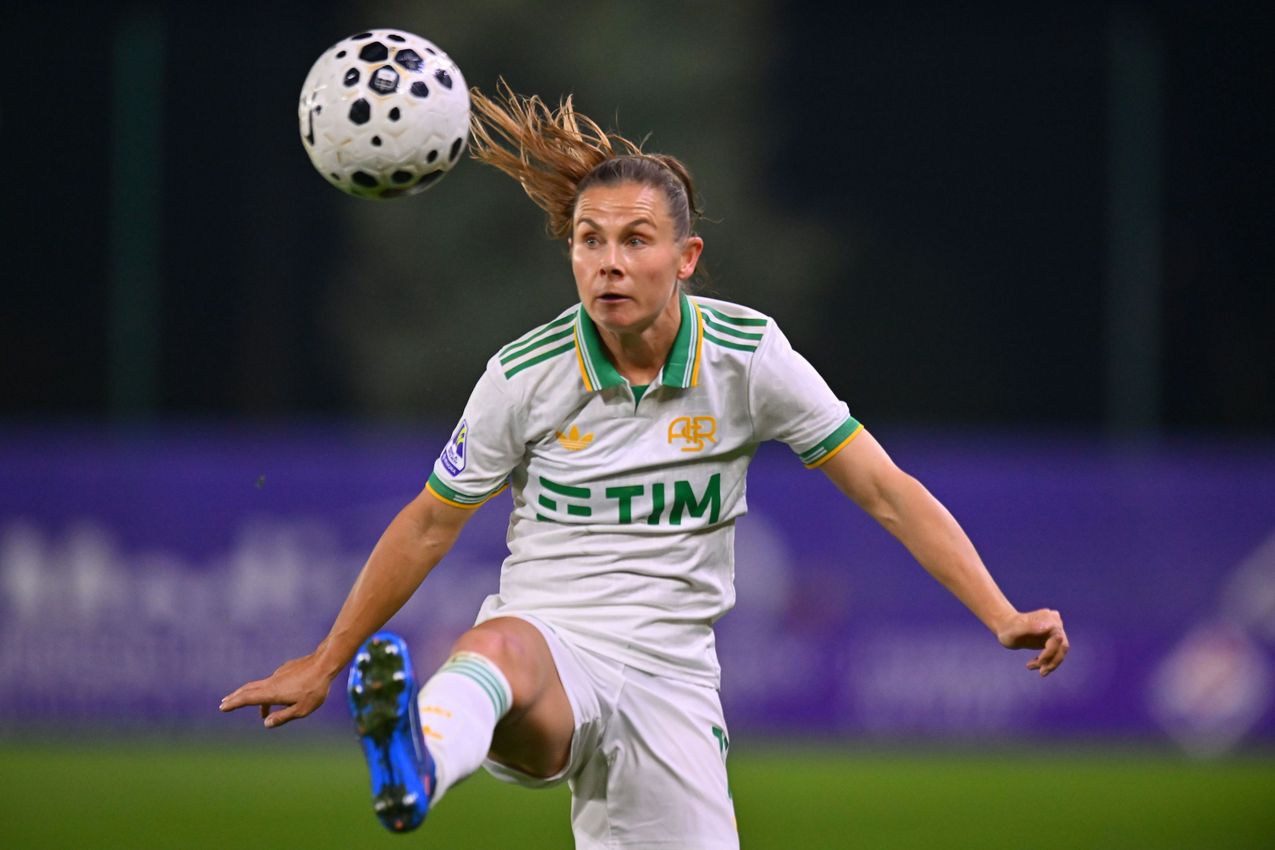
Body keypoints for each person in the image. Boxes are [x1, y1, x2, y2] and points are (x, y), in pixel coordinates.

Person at [220, 81, 1069, 849]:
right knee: (499, 648)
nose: (609, 262)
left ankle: (433, 748)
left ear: (686, 258)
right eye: (589, 241)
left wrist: (998, 614)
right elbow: (429, 522)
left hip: (672, 677)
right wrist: (326, 661)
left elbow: (884, 490)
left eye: (635, 240)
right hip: (554, 642)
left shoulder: (747, 356)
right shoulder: (524, 374)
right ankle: (420, 761)